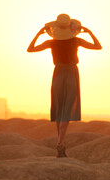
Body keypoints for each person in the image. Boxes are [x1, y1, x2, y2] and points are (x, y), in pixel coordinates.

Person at [27, 13, 102, 158]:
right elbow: (97, 46)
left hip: (58, 73)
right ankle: (60, 144)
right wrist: (90, 32)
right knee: (66, 109)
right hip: (71, 73)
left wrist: (38, 34)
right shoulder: (77, 40)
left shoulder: (51, 43)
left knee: (61, 109)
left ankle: (60, 143)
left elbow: (30, 49)